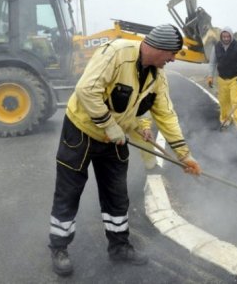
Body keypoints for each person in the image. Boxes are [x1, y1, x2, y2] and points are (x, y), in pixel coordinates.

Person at [47, 24, 203, 276]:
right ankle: (59, 247)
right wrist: (108, 124)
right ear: (159, 48)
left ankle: (119, 247)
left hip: (116, 139)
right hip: (81, 131)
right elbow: (86, 90)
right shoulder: (117, 53)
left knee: (117, 194)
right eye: (172, 53)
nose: (173, 59)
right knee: (69, 192)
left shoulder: (157, 76)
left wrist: (184, 154)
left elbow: (165, 113)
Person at [206, 27, 237, 131]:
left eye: (227, 36)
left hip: (236, 79)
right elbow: (212, 63)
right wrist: (210, 76)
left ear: (231, 35)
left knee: (236, 100)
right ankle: (225, 120)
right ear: (221, 36)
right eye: (223, 36)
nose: (225, 38)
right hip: (222, 79)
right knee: (223, 101)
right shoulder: (216, 47)